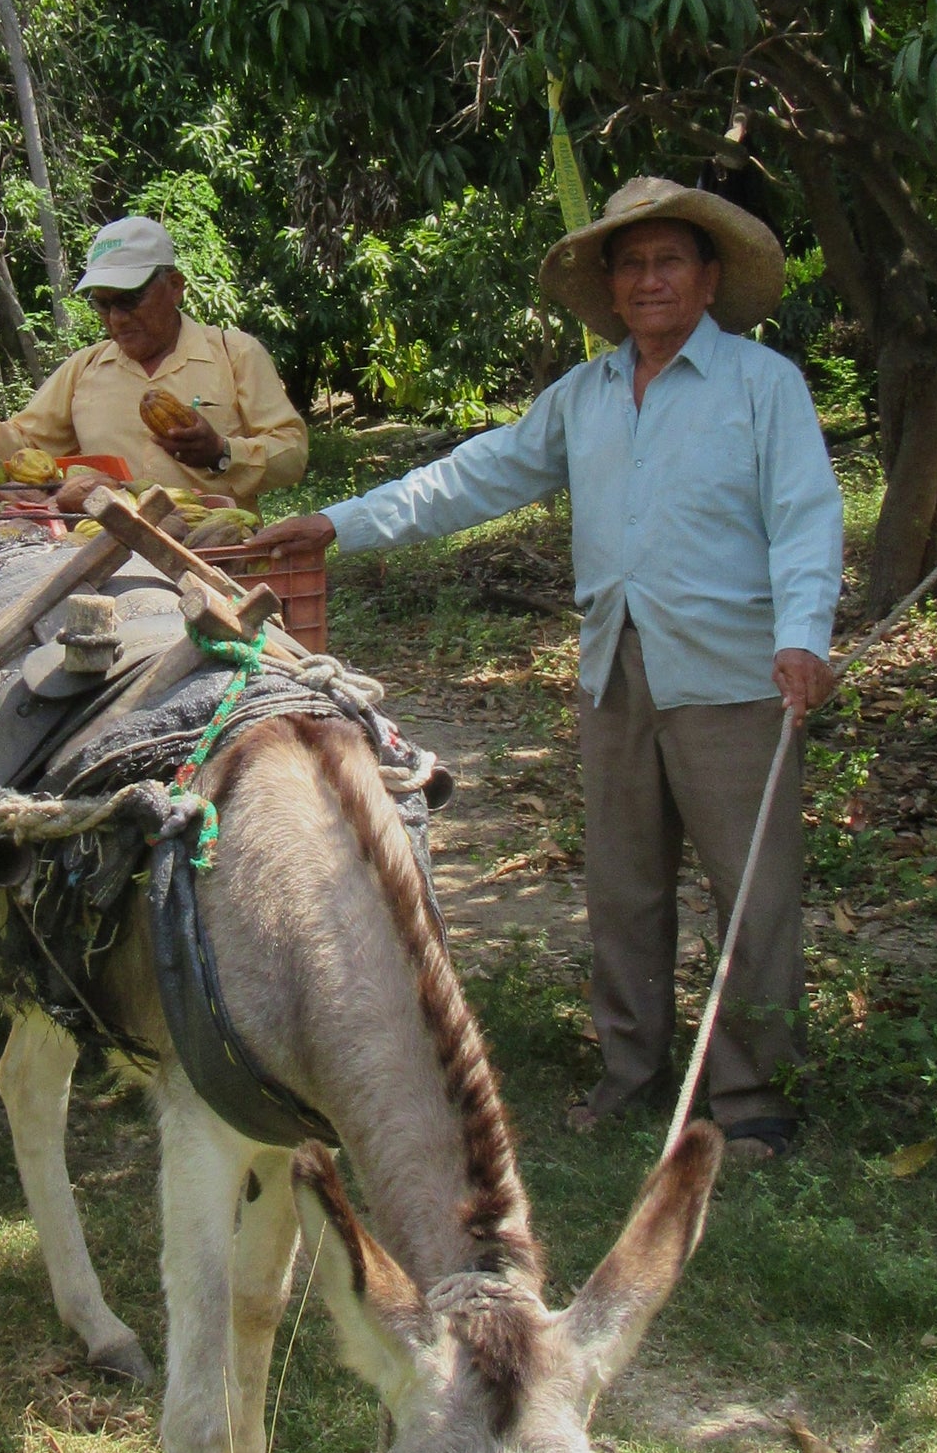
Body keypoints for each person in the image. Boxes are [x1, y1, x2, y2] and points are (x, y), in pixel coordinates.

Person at [263, 175, 843, 1162]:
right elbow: (470, 477)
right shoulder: (584, 396)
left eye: (667, 260)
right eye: (630, 264)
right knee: (623, 889)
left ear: (706, 279)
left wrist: (803, 636)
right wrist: (336, 523)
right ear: (609, 289)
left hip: (733, 678)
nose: (648, 280)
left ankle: (751, 1098)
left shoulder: (760, 387)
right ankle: (629, 1071)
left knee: (751, 889)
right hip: (616, 671)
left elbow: (804, 519)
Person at [0, 214, 310, 505]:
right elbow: (25, 453)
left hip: (222, 564)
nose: (117, 319)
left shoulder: (234, 354)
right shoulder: (85, 370)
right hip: (111, 567)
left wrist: (222, 453)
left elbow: (291, 452)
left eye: (130, 300)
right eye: (103, 305)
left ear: (174, 287)